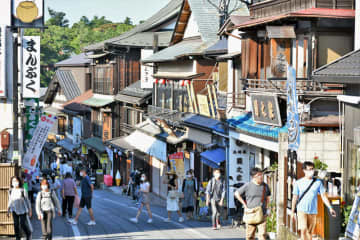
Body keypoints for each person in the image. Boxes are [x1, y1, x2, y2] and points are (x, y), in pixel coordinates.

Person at [291, 161, 337, 240]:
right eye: (309, 169)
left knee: (310, 233)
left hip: (312, 211)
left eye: (312, 169)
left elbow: (323, 196)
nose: (311, 171)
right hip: (301, 210)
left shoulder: (318, 182)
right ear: (304, 170)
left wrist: (330, 208)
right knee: (303, 230)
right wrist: (292, 212)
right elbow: (294, 197)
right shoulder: (298, 183)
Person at [235, 168, 271, 240]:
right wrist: (244, 204)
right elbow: (236, 193)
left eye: (261, 175)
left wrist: (268, 209)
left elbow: (268, 198)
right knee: (250, 236)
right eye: (258, 175)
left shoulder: (265, 186)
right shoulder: (248, 185)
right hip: (251, 213)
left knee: (262, 235)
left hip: (262, 214)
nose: (261, 177)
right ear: (253, 177)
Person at [7, 176, 32, 240]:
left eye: (16, 181)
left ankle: (28, 233)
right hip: (14, 209)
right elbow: (10, 200)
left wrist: (30, 210)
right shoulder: (10, 190)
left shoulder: (23, 190)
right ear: (11, 183)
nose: (15, 182)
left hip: (22, 209)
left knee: (22, 224)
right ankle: (17, 238)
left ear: (19, 181)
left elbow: (27, 200)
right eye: (13, 181)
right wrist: (8, 210)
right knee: (16, 225)